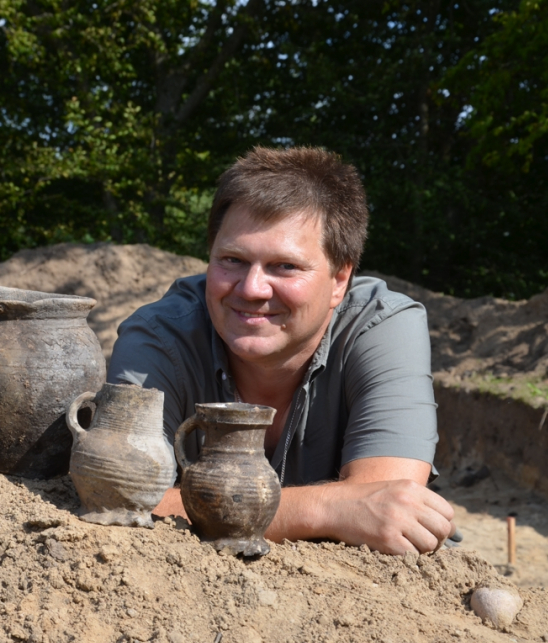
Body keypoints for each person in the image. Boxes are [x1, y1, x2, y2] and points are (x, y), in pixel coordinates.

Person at [108, 146, 455, 555]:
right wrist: (327, 508)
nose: (252, 289)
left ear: (340, 279)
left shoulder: (382, 327)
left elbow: (390, 509)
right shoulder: (158, 338)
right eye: (232, 260)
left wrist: (198, 509)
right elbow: (120, 501)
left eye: (285, 266)